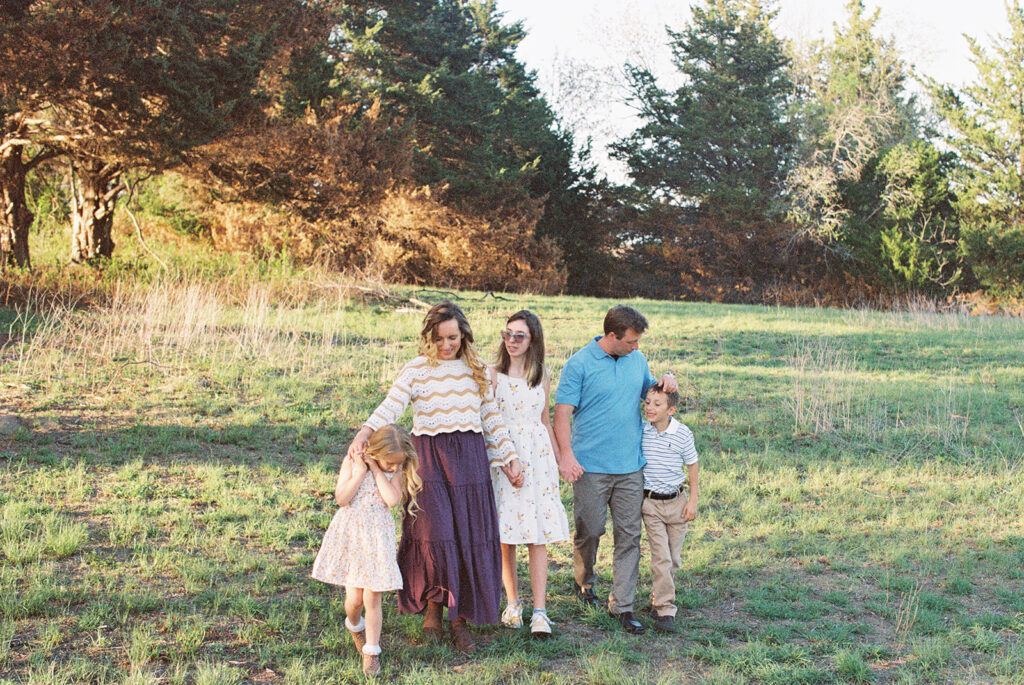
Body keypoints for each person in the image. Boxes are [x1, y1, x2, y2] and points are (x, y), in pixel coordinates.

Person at [347, 301, 523, 654]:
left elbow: (491, 418)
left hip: (470, 462)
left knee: (465, 536)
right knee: (433, 533)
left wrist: (509, 457)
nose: (447, 345)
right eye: (440, 339)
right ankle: (432, 609)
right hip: (428, 460)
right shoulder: (416, 369)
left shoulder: (475, 369)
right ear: (430, 337)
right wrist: (364, 433)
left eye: (453, 338)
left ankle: (459, 619)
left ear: (464, 335)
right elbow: (391, 405)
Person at [553, 304, 677, 635]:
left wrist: (669, 381)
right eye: (631, 341)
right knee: (590, 530)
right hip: (589, 467)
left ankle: (622, 606)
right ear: (612, 336)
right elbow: (562, 414)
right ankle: (584, 581)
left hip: (630, 468)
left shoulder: (637, 360)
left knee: (629, 536)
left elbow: (653, 393)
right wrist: (566, 455)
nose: (637, 347)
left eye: (638, 342)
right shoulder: (579, 364)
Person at [311, 424, 423, 675]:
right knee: (354, 600)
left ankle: (372, 651)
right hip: (353, 536)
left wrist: (378, 469)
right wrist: (361, 471)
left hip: (377, 539)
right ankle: (354, 624)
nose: (393, 467)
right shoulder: (352, 462)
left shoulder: (394, 470)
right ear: (376, 451)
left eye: (397, 464)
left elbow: (391, 500)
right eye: (388, 462)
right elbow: (342, 498)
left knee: (372, 597)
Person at [488, 310, 570, 638]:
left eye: (519, 335)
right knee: (507, 534)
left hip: (538, 460)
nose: (512, 341)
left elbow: (545, 422)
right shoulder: (493, 376)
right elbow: (489, 424)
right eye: (508, 334)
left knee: (537, 535)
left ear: (532, 339)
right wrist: (506, 463)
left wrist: (559, 461)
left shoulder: (542, 374)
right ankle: (512, 603)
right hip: (505, 458)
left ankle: (540, 611)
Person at [640, 384, 699, 633]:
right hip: (650, 503)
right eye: (648, 402)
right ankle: (665, 609)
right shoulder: (642, 430)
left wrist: (693, 500)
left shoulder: (682, 434)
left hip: (676, 503)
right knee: (661, 557)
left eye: (657, 404)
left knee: (673, 559)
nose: (650, 408)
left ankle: (657, 597)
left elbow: (693, 467)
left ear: (671, 409)